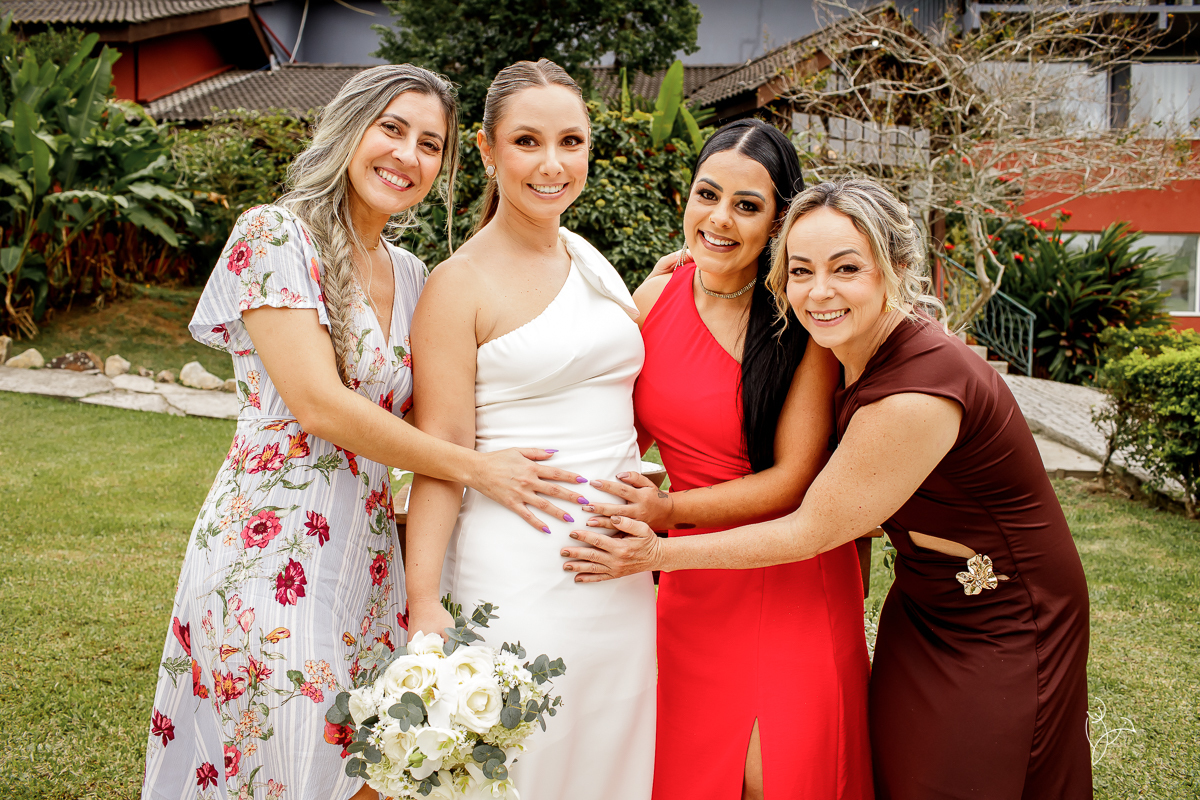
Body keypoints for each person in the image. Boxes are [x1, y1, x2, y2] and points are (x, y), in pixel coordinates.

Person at [563, 178, 1093, 799]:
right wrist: (701, 265)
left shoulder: (917, 390)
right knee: (897, 774)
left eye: (846, 268)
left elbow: (811, 528)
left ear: (895, 269)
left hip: (1006, 611)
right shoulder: (851, 349)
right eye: (801, 270)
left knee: (955, 781)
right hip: (923, 600)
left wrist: (657, 553)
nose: (819, 291)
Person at [142, 65, 588, 800]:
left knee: (370, 770)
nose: (407, 156)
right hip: (271, 549)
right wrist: (477, 468)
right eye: (392, 129)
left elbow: (460, 394)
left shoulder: (412, 275)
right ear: (350, 129)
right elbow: (320, 405)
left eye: (430, 144)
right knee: (285, 755)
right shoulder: (275, 234)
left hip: (371, 561)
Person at [580, 119, 871, 800]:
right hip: (691, 583)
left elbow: (793, 480)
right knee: (687, 773)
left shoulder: (799, 321)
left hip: (788, 566)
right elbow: (614, 435)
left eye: (747, 206)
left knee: (780, 778)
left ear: (777, 223)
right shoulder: (652, 298)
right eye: (707, 195)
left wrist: (665, 511)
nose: (719, 219)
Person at [403, 59, 656, 800]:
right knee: (526, 761)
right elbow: (442, 454)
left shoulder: (590, 258)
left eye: (571, 142)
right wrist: (425, 601)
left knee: (613, 756)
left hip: (619, 572)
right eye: (527, 142)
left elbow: (603, 374)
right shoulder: (458, 285)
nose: (553, 164)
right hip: (519, 566)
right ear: (487, 149)